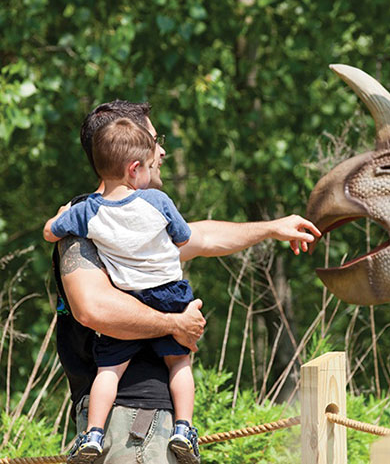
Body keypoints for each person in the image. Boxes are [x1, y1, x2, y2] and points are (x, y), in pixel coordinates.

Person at [53, 100, 321, 464]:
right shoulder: (83, 220)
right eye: (153, 139)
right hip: (128, 421)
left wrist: (271, 228)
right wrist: (175, 323)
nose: (161, 151)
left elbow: (203, 237)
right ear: (132, 160)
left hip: (146, 422)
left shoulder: (129, 221)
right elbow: (93, 308)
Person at [45, 118, 201, 463]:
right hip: (169, 297)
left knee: (108, 371)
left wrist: (61, 217)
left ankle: (93, 433)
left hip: (128, 299)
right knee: (180, 363)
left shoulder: (85, 211)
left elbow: (49, 232)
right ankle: (184, 428)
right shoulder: (157, 201)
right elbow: (186, 237)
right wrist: (175, 322)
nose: (160, 156)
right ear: (134, 169)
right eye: (150, 158)